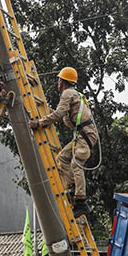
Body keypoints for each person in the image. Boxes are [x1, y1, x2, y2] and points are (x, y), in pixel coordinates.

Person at [28, 66, 98, 217]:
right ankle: (73, 186)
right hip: (83, 134)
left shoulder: (67, 93)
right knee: (62, 157)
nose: (57, 83)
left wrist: (39, 123)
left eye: (59, 80)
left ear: (63, 81)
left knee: (76, 163)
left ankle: (81, 201)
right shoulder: (75, 95)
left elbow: (60, 114)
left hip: (86, 135)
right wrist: (53, 114)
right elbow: (64, 117)